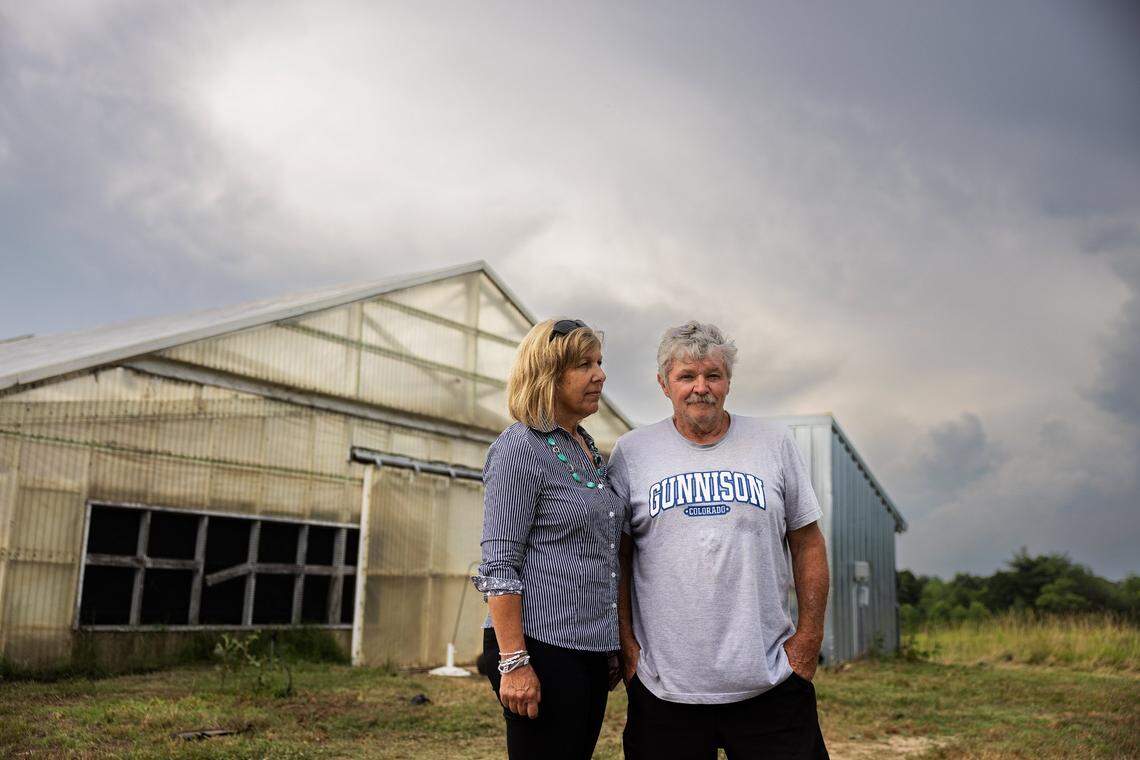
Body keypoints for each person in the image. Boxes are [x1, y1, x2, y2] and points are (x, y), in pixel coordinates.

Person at [611, 320, 831, 759]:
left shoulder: (773, 443)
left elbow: (807, 542)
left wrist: (808, 641)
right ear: (663, 384)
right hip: (665, 689)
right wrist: (628, 647)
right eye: (686, 376)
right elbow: (618, 556)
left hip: (769, 680)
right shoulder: (633, 453)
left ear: (728, 381)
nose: (700, 388)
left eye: (713, 375)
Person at [472, 318, 625, 760]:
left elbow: (598, 553)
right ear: (547, 374)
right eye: (584, 365)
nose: (599, 374)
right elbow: (499, 563)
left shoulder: (584, 445)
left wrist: (608, 641)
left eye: (599, 362)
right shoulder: (520, 447)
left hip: (586, 649)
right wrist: (515, 663)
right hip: (540, 645)